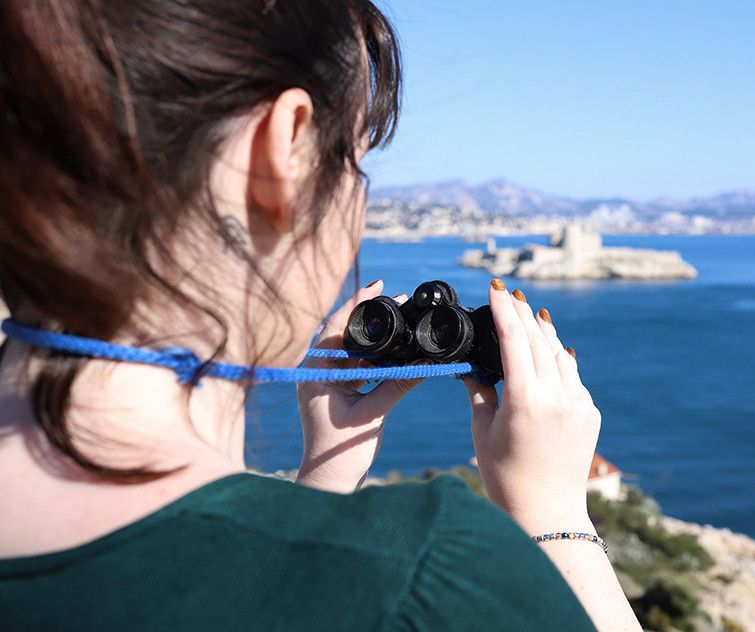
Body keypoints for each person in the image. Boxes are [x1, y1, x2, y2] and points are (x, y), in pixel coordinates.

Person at [0, 1, 642, 630]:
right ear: (286, 150)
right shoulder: (422, 576)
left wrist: (327, 479)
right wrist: (553, 511)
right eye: (355, 163)